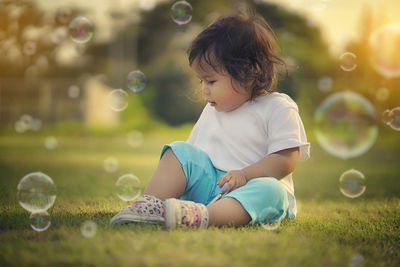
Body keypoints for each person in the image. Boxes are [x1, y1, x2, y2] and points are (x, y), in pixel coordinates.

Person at [110, 9, 310, 229]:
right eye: (201, 81)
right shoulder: (212, 110)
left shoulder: (278, 107)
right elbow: (192, 159)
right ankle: (152, 205)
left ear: (246, 72)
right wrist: (184, 164)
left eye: (211, 81)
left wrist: (244, 175)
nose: (204, 90)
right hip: (213, 187)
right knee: (178, 150)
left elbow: (286, 159)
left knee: (272, 190)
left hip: (252, 191)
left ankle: (202, 216)